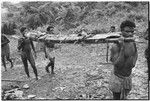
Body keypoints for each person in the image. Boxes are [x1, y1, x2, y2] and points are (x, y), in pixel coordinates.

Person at [109, 20, 138, 99]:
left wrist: (133, 63)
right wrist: (122, 48)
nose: (130, 34)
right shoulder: (115, 46)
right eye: (127, 31)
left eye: (132, 32)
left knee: (125, 95)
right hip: (118, 77)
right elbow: (118, 64)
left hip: (128, 75)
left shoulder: (132, 42)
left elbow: (135, 53)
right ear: (121, 31)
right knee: (117, 97)